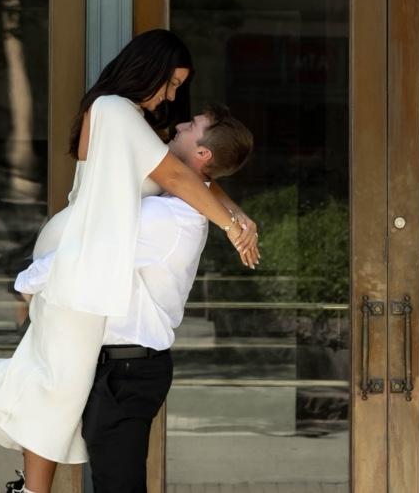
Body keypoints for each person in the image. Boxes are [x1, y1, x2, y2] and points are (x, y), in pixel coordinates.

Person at [0, 29, 260, 493]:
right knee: (58, 382)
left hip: (87, 251)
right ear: (149, 69)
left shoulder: (134, 123)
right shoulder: (114, 109)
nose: (173, 99)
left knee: (59, 382)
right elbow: (178, 174)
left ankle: (28, 483)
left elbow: (197, 177)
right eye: (171, 83)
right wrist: (231, 225)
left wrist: (237, 215)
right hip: (78, 249)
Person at [15, 103, 255, 493]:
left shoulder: (165, 218)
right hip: (120, 367)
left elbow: (85, 255)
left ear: (203, 153)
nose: (180, 125)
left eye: (192, 126)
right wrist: (233, 213)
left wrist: (26, 282)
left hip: (125, 372)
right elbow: (203, 184)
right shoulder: (176, 204)